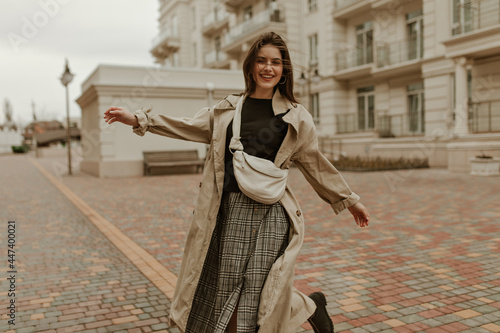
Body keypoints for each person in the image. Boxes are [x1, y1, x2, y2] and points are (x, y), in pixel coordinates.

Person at [104, 32, 370, 333]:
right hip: (229, 211)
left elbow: (314, 163)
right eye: (261, 61)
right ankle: (311, 306)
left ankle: (304, 308)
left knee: (257, 288)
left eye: (275, 62)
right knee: (228, 286)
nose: (268, 68)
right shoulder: (228, 110)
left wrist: (349, 200)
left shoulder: (296, 116)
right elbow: (187, 126)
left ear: (284, 70)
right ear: (250, 66)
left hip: (272, 213)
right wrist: (139, 120)